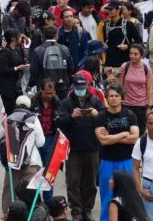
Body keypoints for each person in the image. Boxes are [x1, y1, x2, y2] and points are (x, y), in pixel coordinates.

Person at [57, 73, 104, 221]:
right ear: (73, 87)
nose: (81, 90)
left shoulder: (96, 101)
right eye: (78, 87)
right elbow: (59, 122)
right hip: (73, 150)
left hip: (92, 148)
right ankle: (76, 211)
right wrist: (71, 116)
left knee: (90, 182)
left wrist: (98, 114)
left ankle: (87, 210)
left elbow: (106, 117)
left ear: (88, 87)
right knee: (73, 181)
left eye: (83, 87)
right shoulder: (66, 103)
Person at [94, 85, 139, 221]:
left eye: (116, 96)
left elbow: (135, 137)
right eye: (111, 96)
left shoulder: (130, 115)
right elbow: (103, 141)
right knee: (107, 196)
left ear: (121, 98)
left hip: (127, 161)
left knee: (129, 196)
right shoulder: (101, 117)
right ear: (107, 99)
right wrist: (124, 134)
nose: (113, 98)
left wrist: (112, 136)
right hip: (107, 162)